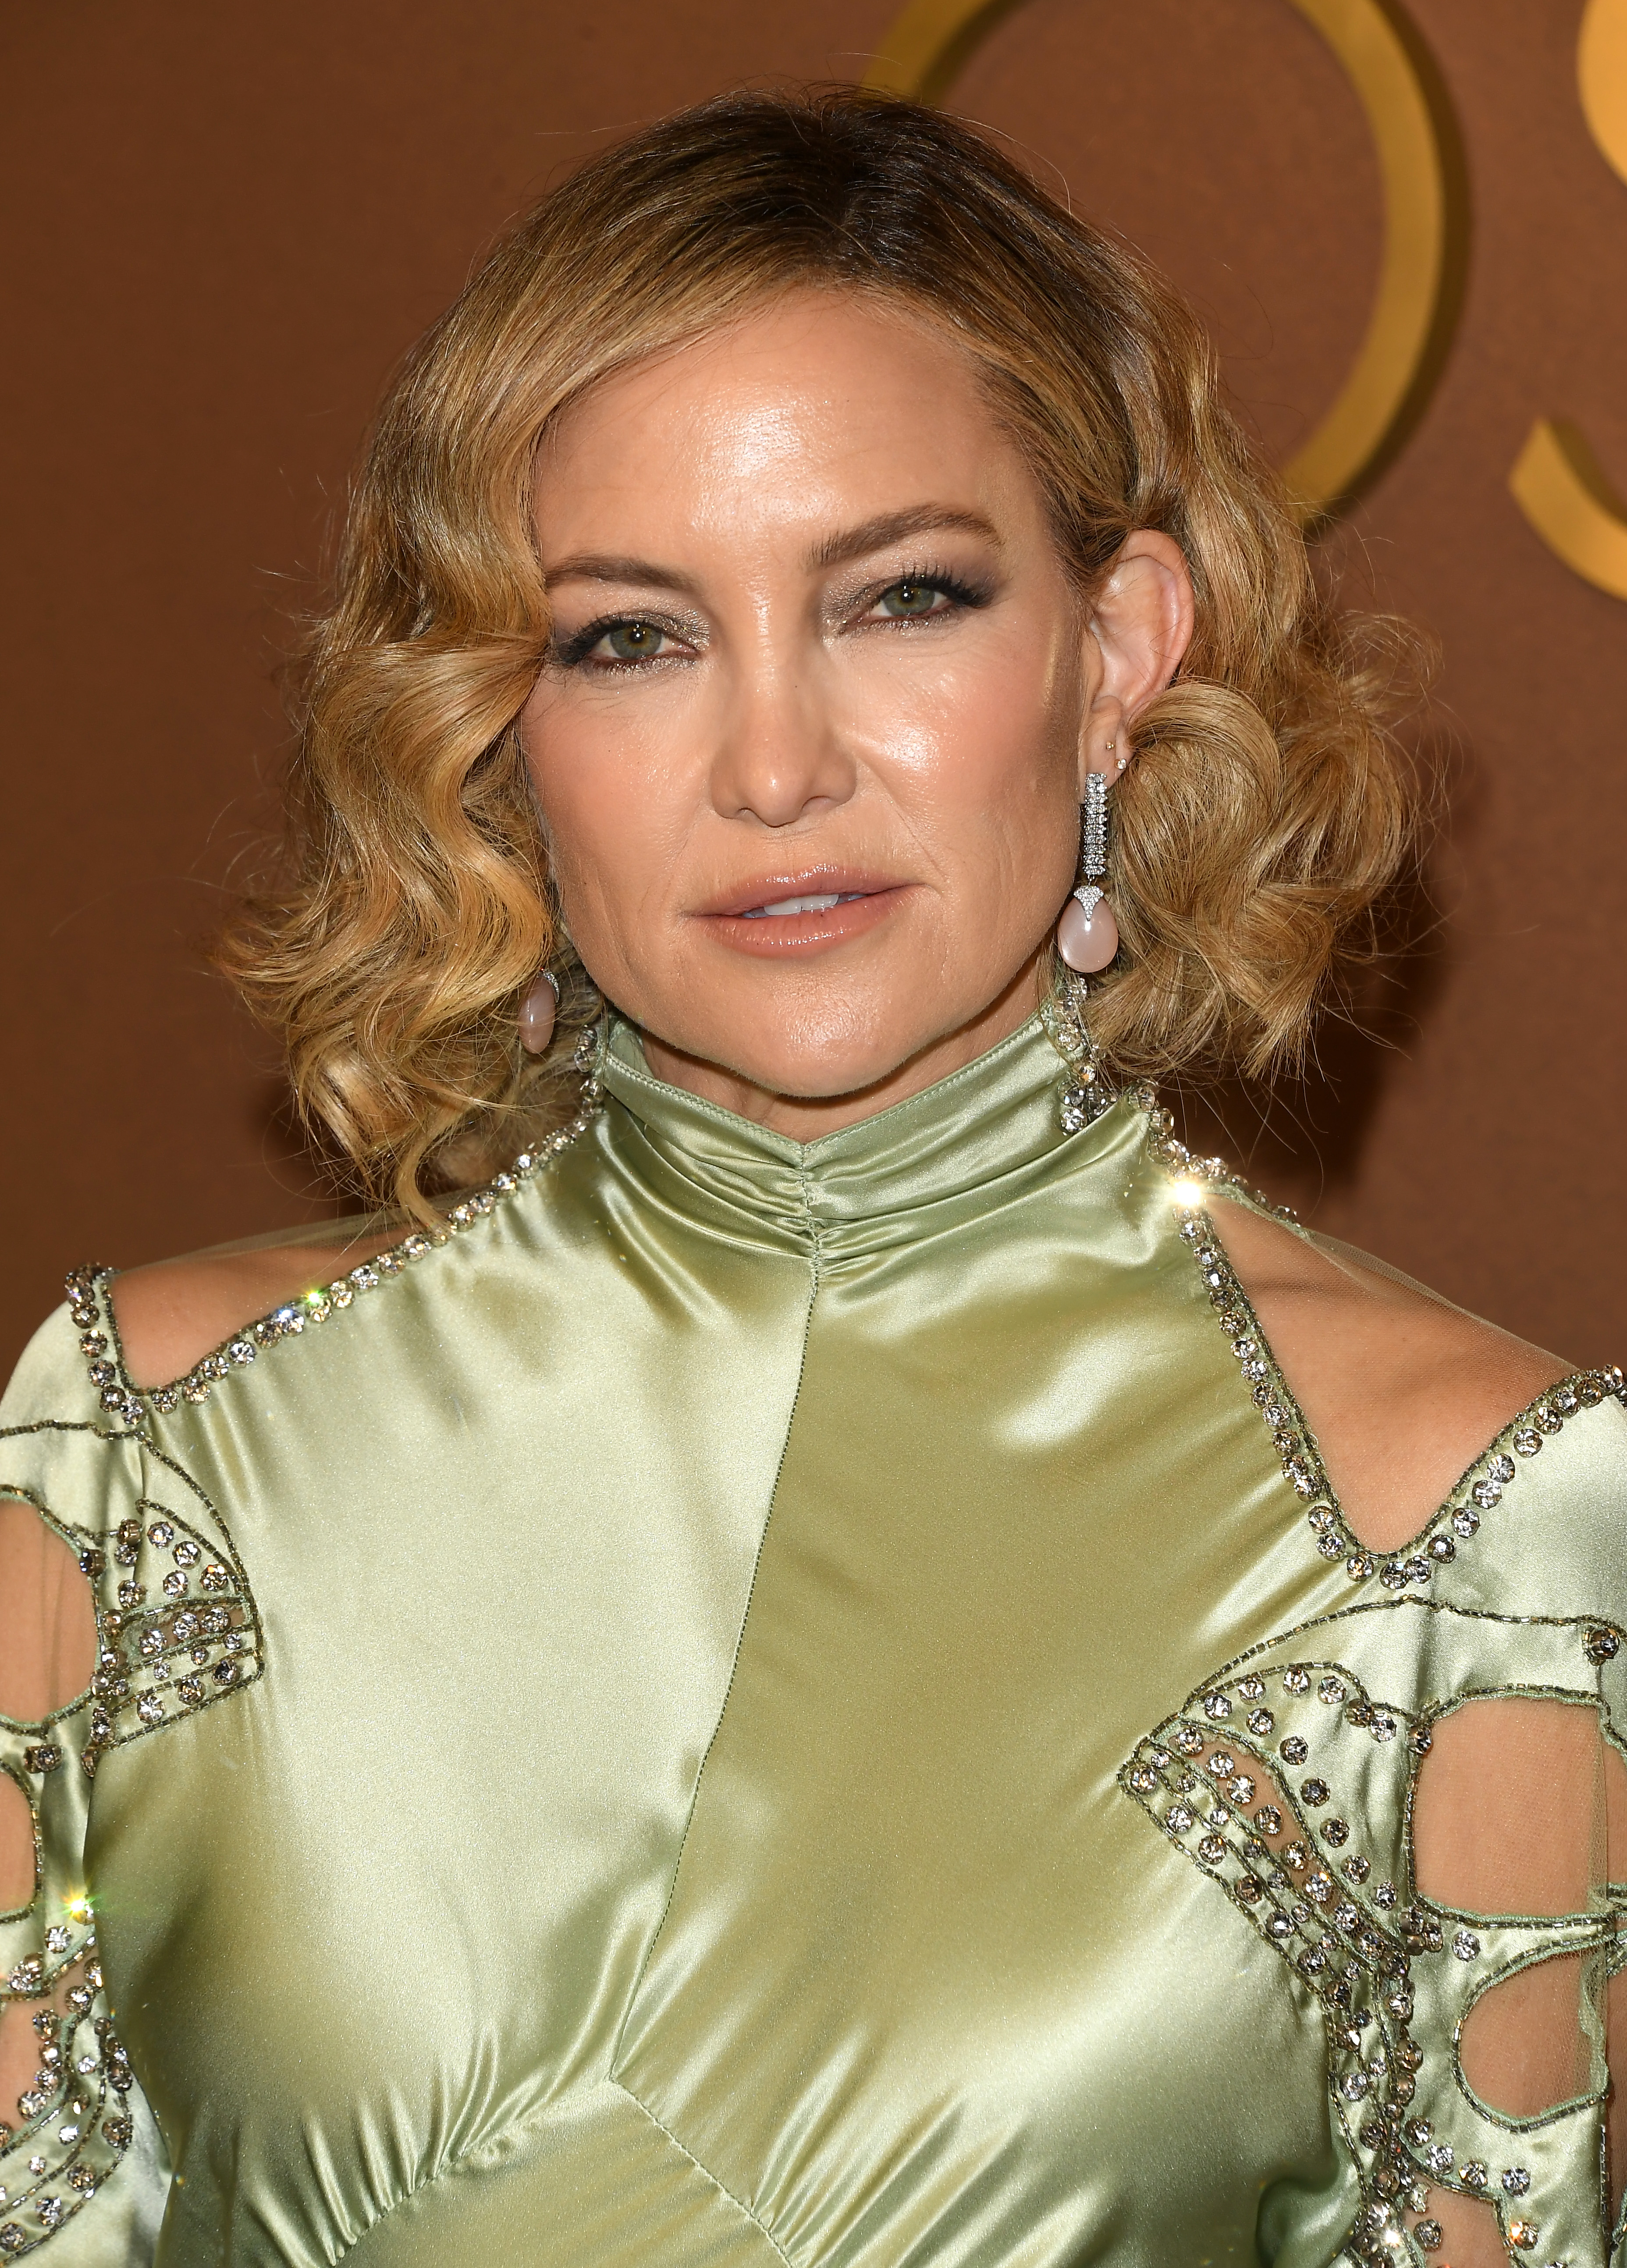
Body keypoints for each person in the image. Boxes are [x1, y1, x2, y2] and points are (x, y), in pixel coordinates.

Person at [1, 85, 1622, 2268]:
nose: (774, 767)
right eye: (628, 636)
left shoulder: (1471, 1521)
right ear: (496, 723)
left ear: (1118, 649)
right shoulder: (139, 1444)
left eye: (901, 600)